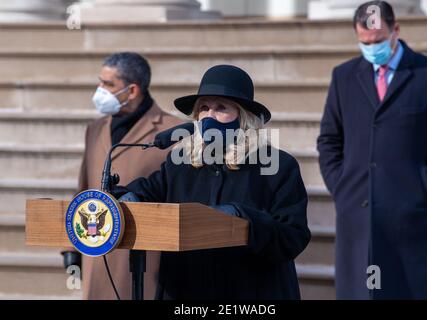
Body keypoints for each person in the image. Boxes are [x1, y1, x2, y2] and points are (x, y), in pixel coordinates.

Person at [112, 64, 311, 299]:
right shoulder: (180, 164)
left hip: (251, 293)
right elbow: (143, 192)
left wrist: (241, 218)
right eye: (204, 108)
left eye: (220, 108)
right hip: (187, 292)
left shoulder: (278, 165)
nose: (209, 116)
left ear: (243, 116)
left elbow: (292, 236)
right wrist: (125, 197)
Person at [317, 1, 427, 299]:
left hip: (407, 214)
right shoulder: (344, 76)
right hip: (356, 212)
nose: (371, 48)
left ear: (396, 30)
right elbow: (329, 139)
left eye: (377, 41)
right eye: (364, 43)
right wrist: (340, 185)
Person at [62, 52, 183, 300]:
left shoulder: (173, 131)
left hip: (143, 259)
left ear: (132, 90)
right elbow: (84, 189)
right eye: (100, 82)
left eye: (108, 84)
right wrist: (69, 246)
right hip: (96, 249)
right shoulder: (95, 129)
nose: (99, 90)